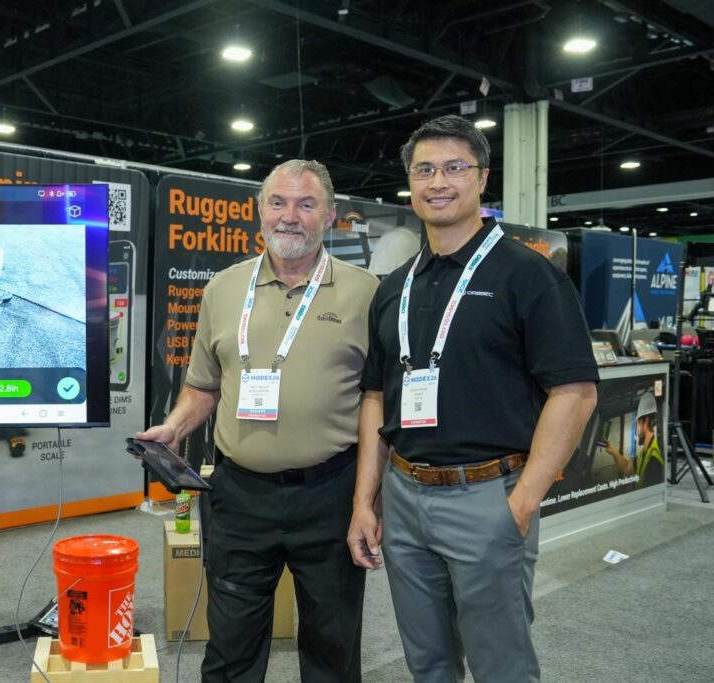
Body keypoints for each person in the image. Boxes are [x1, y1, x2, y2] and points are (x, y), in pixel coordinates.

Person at [348, 115, 599, 682]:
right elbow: (376, 398)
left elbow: (575, 393)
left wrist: (523, 502)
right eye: (424, 170)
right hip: (404, 496)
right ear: (410, 184)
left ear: (482, 179)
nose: (438, 182)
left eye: (454, 168)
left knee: (500, 665)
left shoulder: (528, 275)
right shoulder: (394, 287)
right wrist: (366, 500)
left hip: (489, 496)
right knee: (428, 663)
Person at [137, 159, 378, 682]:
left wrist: (367, 499)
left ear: (329, 216)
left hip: (330, 494)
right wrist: (174, 427)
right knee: (231, 648)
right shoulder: (224, 289)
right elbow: (204, 385)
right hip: (240, 495)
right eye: (278, 202)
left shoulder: (366, 292)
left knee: (333, 647)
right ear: (260, 211)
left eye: (306, 204)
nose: (290, 216)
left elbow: (376, 402)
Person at [604, 390, 664, 488]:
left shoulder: (653, 460)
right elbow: (627, 468)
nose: (637, 430)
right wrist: (613, 452)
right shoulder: (644, 452)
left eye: (638, 424)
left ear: (645, 422)